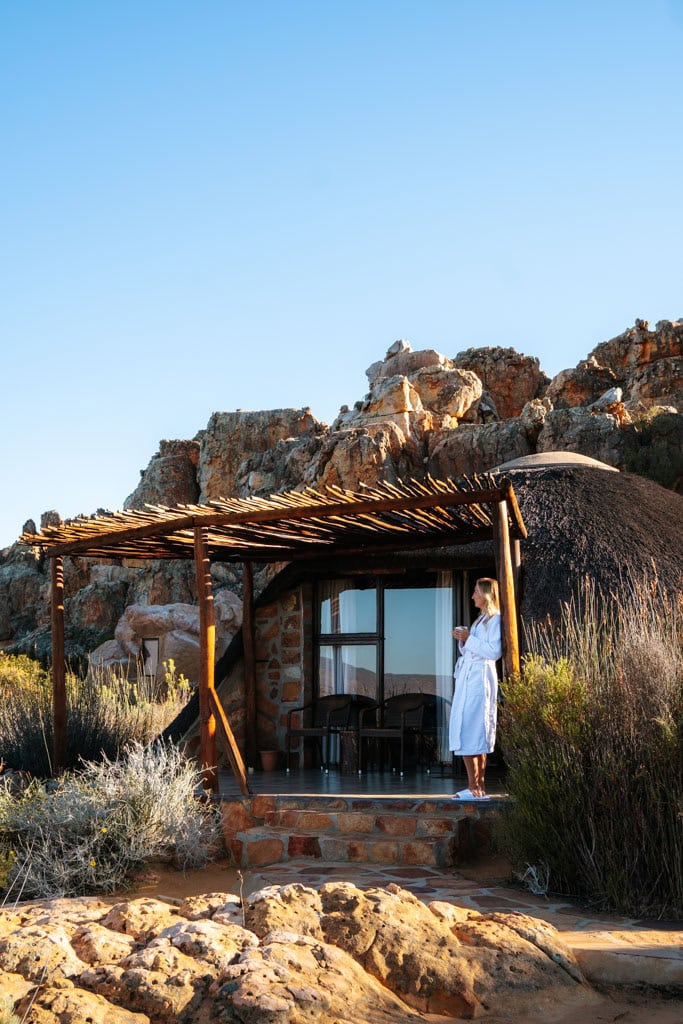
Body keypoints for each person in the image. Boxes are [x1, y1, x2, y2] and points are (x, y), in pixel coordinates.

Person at [449, 577, 502, 799]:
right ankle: (476, 788)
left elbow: (493, 652)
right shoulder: (481, 620)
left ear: (486, 595)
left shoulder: (495, 620)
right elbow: (472, 651)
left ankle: (475, 787)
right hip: (468, 678)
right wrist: (463, 640)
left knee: (472, 730)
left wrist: (468, 638)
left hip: (480, 680)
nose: (472, 596)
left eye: (476, 593)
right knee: (469, 729)